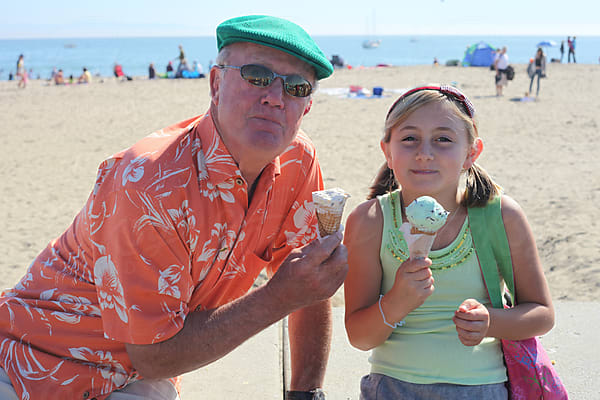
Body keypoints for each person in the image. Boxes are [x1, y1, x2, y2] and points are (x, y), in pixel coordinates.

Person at [0, 14, 346, 400]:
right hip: (31, 357)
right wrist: (279, 296)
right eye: (257, 76)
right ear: (215, 83)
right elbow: (154, 355)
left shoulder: (298, 161)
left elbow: (310, 285)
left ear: (307, 108)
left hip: (134, 375)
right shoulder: (148, 183)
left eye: (297, 87)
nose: (275, 97)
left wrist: (306, 393)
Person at [343, 85, 554, 400]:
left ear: (471, 152)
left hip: (481, 389)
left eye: (443, 139)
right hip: (391, 388)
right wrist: (397, 301)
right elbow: (360, 336)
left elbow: (542, 314)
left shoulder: (500, 216)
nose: (424, 153)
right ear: (387, 151)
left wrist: (491, 322)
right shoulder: (369, 221)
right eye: (409, 138)